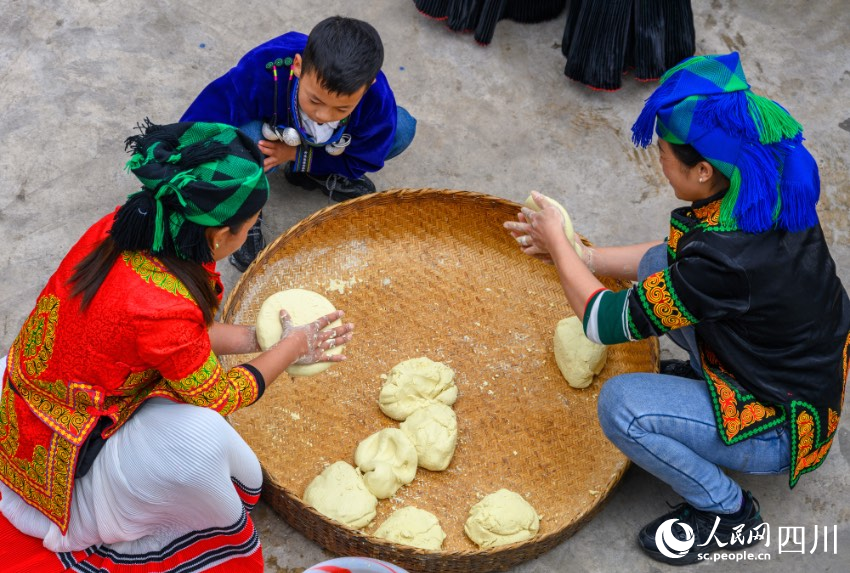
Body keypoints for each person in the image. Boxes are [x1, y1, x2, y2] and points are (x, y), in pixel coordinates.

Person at [505, 53, 849, 564]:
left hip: (783, 423)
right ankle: (700, 383)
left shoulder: (724, 260)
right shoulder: (764, 188)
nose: (659, 163)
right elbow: (673, 259)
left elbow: (600, 323)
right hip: (794, 369)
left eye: (663, 154)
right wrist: (587, 256)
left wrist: (557, 244)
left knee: (622, 406)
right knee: (655, 267)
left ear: (703, 170)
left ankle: (728, 513)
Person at [0, 120, 354, 573]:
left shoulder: (131, 225)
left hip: (39, 387)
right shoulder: (163, 304)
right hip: (60, 445)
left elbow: (172, 340)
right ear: (220, 236)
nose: (249, 234)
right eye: (249, 226)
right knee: (199, 440)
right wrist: (292, 348)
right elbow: (218, 395)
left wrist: (259, 339)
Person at [182, 15, 417, 272]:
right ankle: (247, 210)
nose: (323, 115)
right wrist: (180, 154)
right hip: (270, 135)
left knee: (401, 128)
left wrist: (297, 155)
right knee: (247, 144)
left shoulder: (377, 99)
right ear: (298, 66)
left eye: (342, 108)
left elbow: (365, 158)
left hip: (304, 149)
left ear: (368, 86)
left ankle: (314, 172)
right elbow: (215, 107)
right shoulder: (267, 66)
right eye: (314, 100)